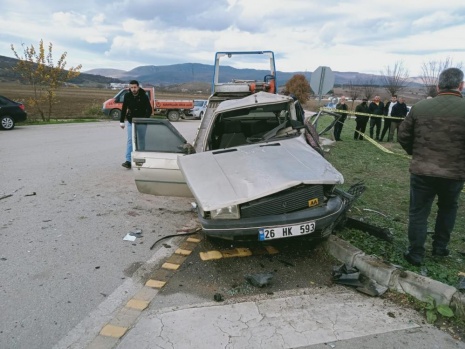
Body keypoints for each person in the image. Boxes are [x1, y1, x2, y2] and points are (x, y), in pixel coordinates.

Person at [398, 67, 465, 266]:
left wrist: (416, 153)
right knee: (448, 209)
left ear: (438, 85)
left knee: (418, 212)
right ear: (460, 85)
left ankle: (416, 253)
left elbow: (403, 136)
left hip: (422, 171)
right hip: (454, 173)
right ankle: (440, 248)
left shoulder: (419, 108)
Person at [120, 80, 152, 169]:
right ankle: (128, 161)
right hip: (131, 121)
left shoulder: (144, 96)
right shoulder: (127, 96)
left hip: (141, 121)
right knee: (130, 140)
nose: (133, 89)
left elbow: (149, 109)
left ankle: (141, 159)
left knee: (141, 140)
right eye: (131, 87)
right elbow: (124, 109)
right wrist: (122, 121)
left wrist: (144, 119)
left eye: (135, 87)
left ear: (138, 87)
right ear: (129, 88)